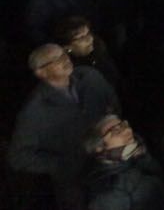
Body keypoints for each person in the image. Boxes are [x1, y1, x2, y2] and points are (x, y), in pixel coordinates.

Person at [8, 42, 121, 210]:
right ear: (41, 72)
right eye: (55, 59)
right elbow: (18, 157)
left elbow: (113, 104)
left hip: (114, 164)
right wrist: (61, 165)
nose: (64, 60)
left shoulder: (90, 76)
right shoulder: (34, 111)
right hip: (78, 183)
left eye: (64, 54)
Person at [82, 113, 164, 210]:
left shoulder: (141, 157)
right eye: (116, 131)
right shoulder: (109, 194)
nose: (128, 131)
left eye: (125, 126)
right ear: (99, 147)